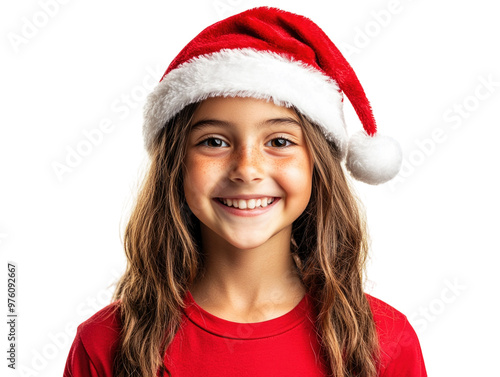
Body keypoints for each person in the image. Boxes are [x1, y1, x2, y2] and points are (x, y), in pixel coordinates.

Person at [63, 6, 426, 377]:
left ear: (318, 165)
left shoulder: (384, 342)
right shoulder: (105, 344)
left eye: (280, 141)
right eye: (215, 141)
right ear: (176, 165)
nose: (247, 169)